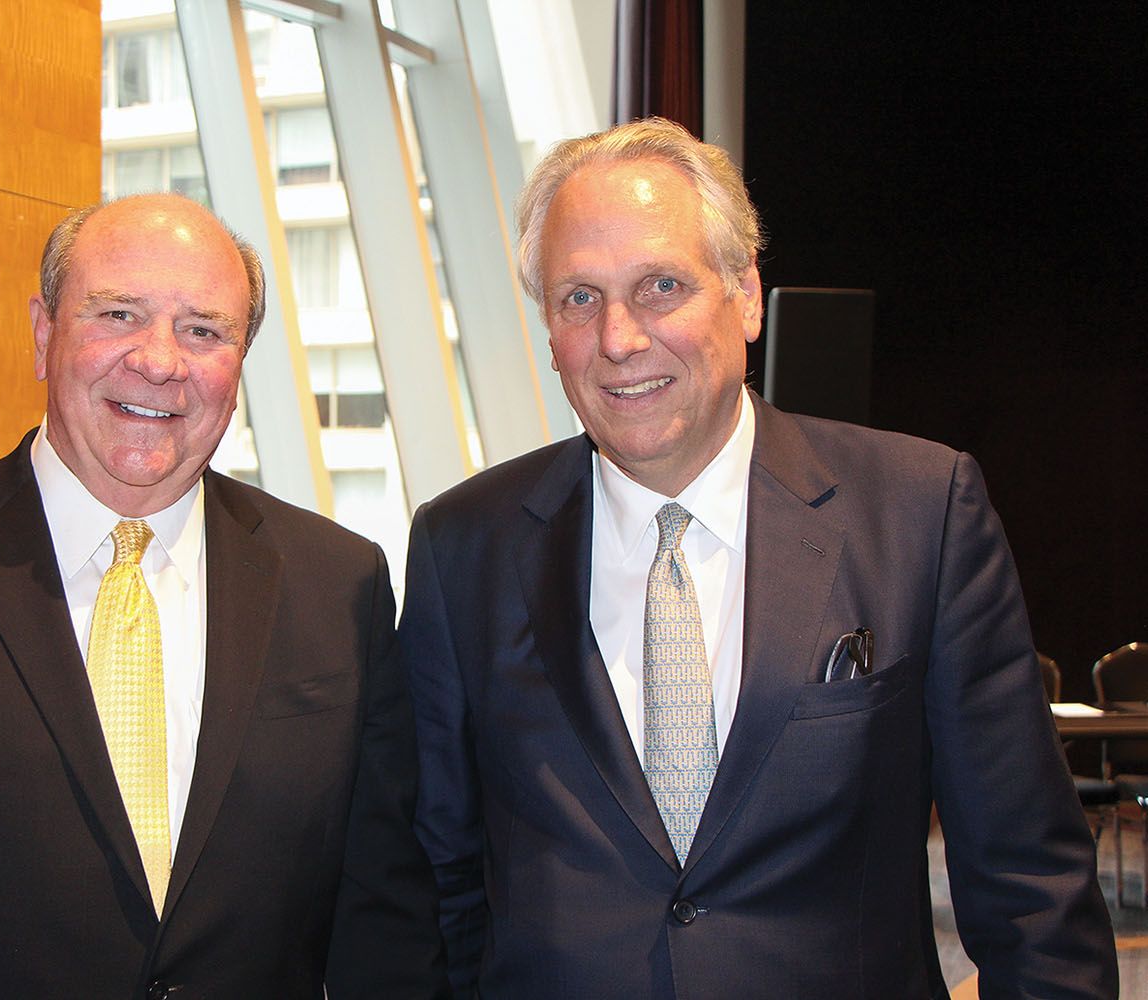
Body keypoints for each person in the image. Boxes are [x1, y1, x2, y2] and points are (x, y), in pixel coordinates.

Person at [398, 118, 1116, 998]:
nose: (618, 338)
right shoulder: (462, 546)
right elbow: (433, 890)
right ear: (549, 329)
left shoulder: (919, 511)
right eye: (579, 298)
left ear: (746, 295)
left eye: (660, 286)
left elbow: (1031, 893)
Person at [0, 194, 447, 999]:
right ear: (43, 333)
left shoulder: (339, 584)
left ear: (238, 364)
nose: (160, 361)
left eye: (204, 330)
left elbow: (386, 932)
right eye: (119, 313)